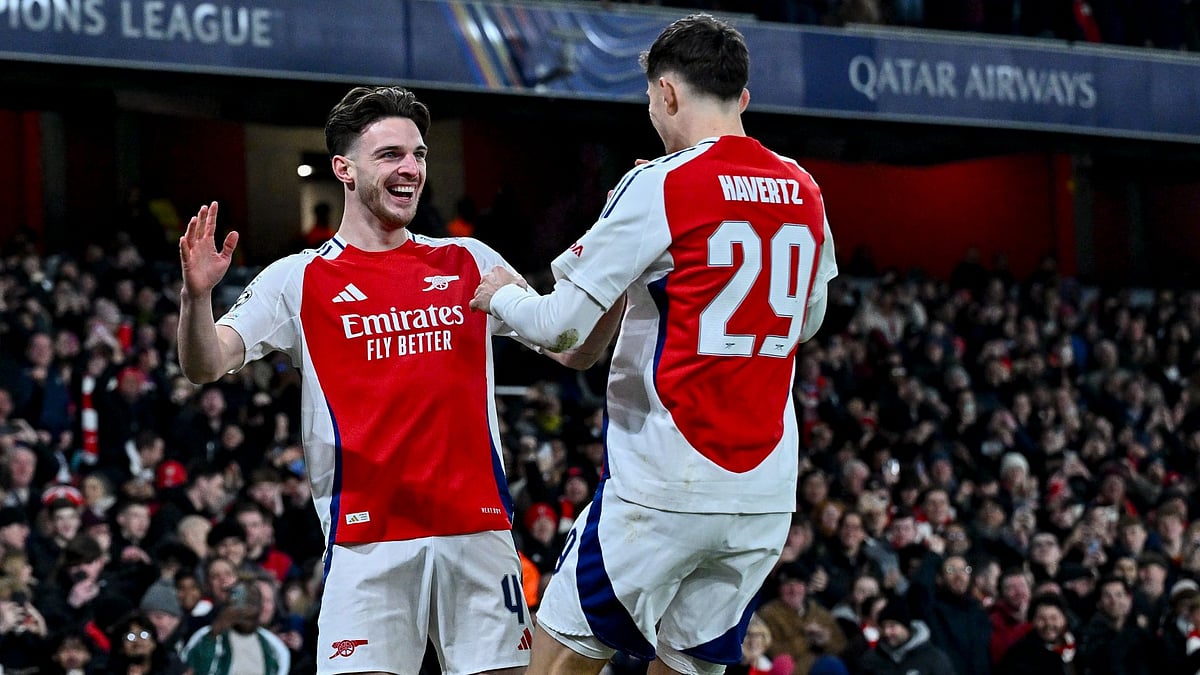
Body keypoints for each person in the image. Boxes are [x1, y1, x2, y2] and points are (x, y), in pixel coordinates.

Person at [178, 85, 617, 675]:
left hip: (478, 535)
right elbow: (205, 363)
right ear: (344, 168)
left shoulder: (469, 261)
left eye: (418, 155)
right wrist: (196, 296)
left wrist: (619, 266)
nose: (410, 168)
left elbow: (573, 351)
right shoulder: (298, 279)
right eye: (389, 155)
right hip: (366, 544)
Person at [471, 14, 837, 674]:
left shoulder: (662, 182)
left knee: (561, 654)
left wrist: (499, 293)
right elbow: (807, 321)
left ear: (665, 93)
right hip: (762, 495)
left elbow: (561, 327)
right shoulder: (805, 189)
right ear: (742, 100)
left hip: (668, 480)